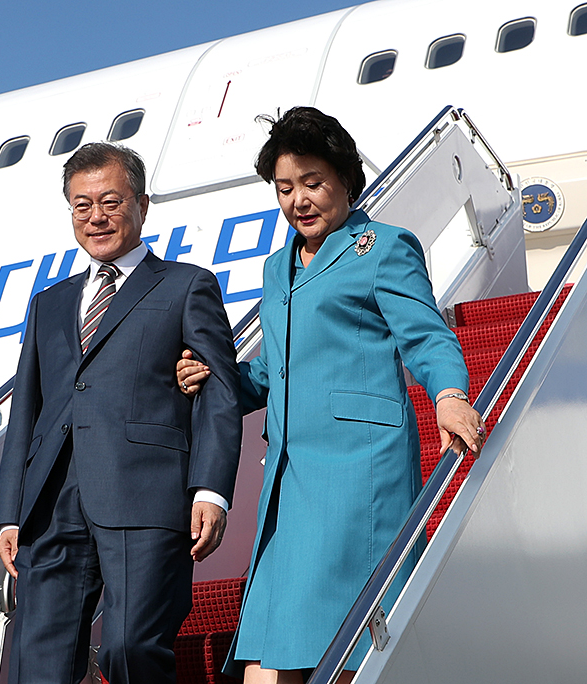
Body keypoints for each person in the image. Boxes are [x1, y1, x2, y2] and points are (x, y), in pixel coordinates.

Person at [176, 107, 484, 683]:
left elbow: (426, 335)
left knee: (340, 646)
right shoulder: (276, 269)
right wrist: (215, 380)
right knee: (268, 652)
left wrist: (447, 394)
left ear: (346, 178)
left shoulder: (383, 248)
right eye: (285, 188)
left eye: (313, 183)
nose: (299, 200)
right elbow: (274, 370)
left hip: (358, 472)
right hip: (289, 481)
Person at [0, 142, 242, 684]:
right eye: (81, 206)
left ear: (142, 204)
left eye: (110, 201)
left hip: (146, 493)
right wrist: (10, 511)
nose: (96, 218)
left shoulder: (185, 285)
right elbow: (28, 409)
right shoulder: (49, 304)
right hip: (52, 502)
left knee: (132, 650)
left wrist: (211, 490)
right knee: (38, 665)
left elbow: (220, 392)